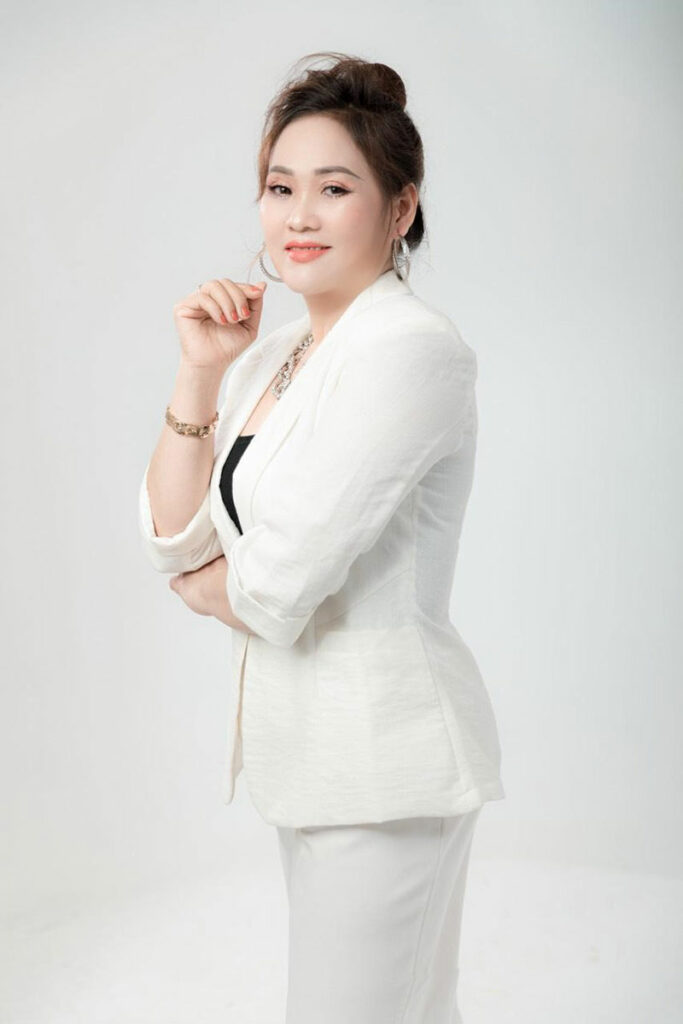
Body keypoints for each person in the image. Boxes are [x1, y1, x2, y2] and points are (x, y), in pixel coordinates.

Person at [138, 51, 504, 1024]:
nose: (298, 215)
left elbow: (275, 582)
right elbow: (174, 538)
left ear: (399, 207)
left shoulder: (411, 350)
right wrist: (198, 373)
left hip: (383, 767)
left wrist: (214, 584)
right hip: (311, 763)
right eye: (279, 187)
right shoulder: (272, 355)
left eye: (334, 188)